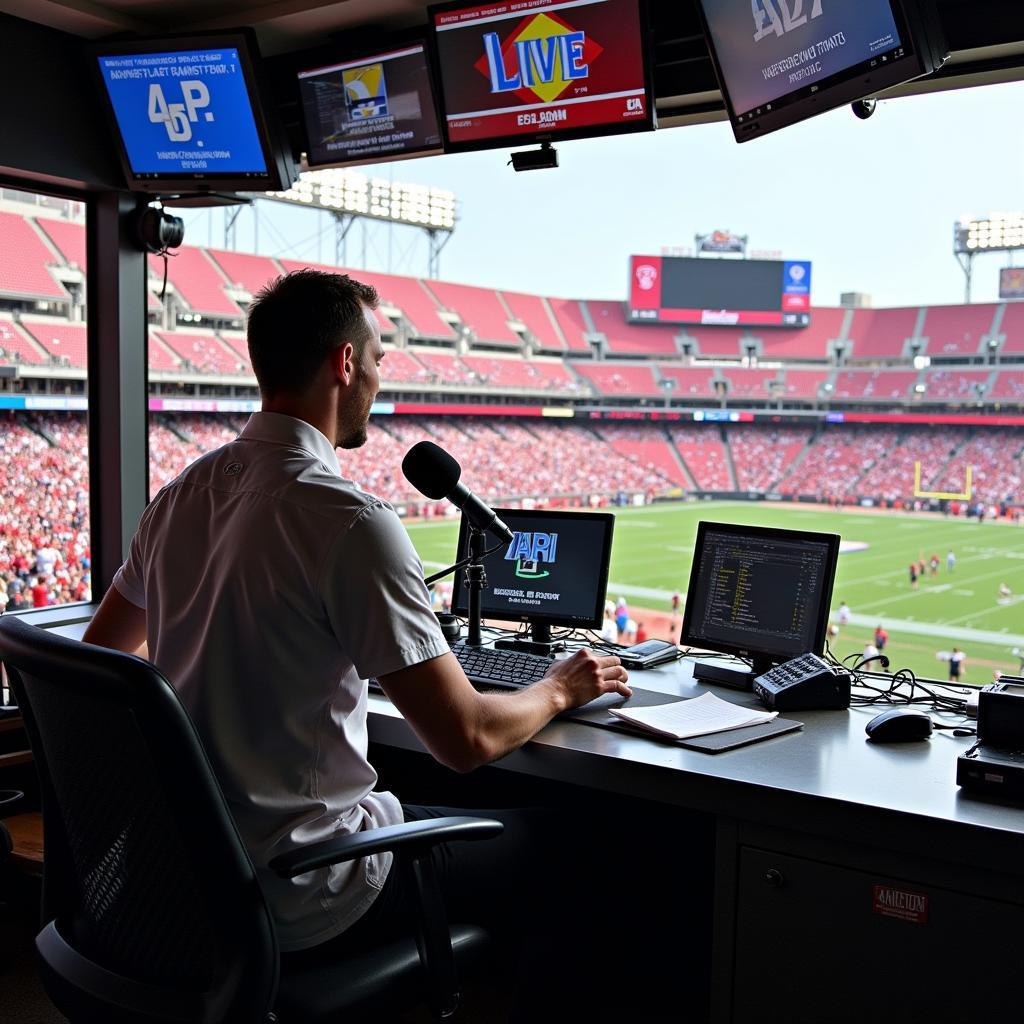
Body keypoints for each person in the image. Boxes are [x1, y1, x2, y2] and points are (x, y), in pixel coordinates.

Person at [81, 271, 634, 1014]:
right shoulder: (349, 520)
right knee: (585, 843)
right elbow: (464, 738)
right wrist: (562, 687)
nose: (380, 375)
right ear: (345, 363)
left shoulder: (181, 494)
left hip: (184, 881)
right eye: (378, 357)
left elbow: (101, 659)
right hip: (306, 892)